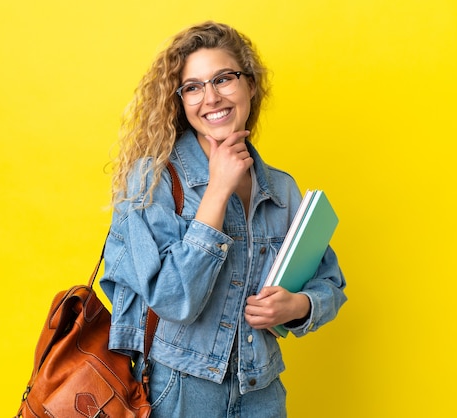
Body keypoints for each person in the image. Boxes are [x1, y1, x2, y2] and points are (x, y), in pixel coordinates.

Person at [100, 21, 347, 417]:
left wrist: (297, 306)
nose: (210, 97)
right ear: (180, 101)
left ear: (250, 85)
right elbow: (175, 301)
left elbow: (331, 284)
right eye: (194, 87)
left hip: (262, 392)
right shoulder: (152, 181)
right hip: (178, 391)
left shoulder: (282, 190)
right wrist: (216, 192)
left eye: (223, 79)